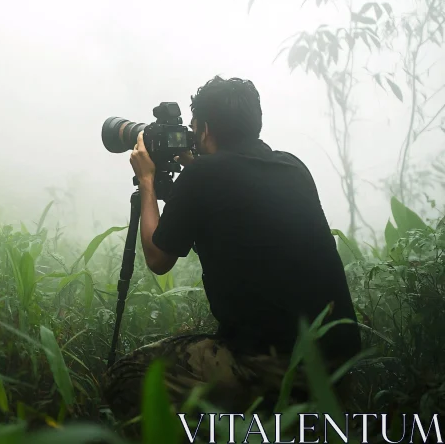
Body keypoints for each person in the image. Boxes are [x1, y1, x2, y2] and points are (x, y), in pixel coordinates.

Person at [102, 76, 362, 426]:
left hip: (272, 368)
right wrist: (195, 167)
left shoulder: (203, 178)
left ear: (205, 130)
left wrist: (147, 181)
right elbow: (234, 191)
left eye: (193, 130)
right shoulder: (294, 167)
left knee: (127, 376)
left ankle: (222, 426)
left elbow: (158, 258)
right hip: (337, 366)